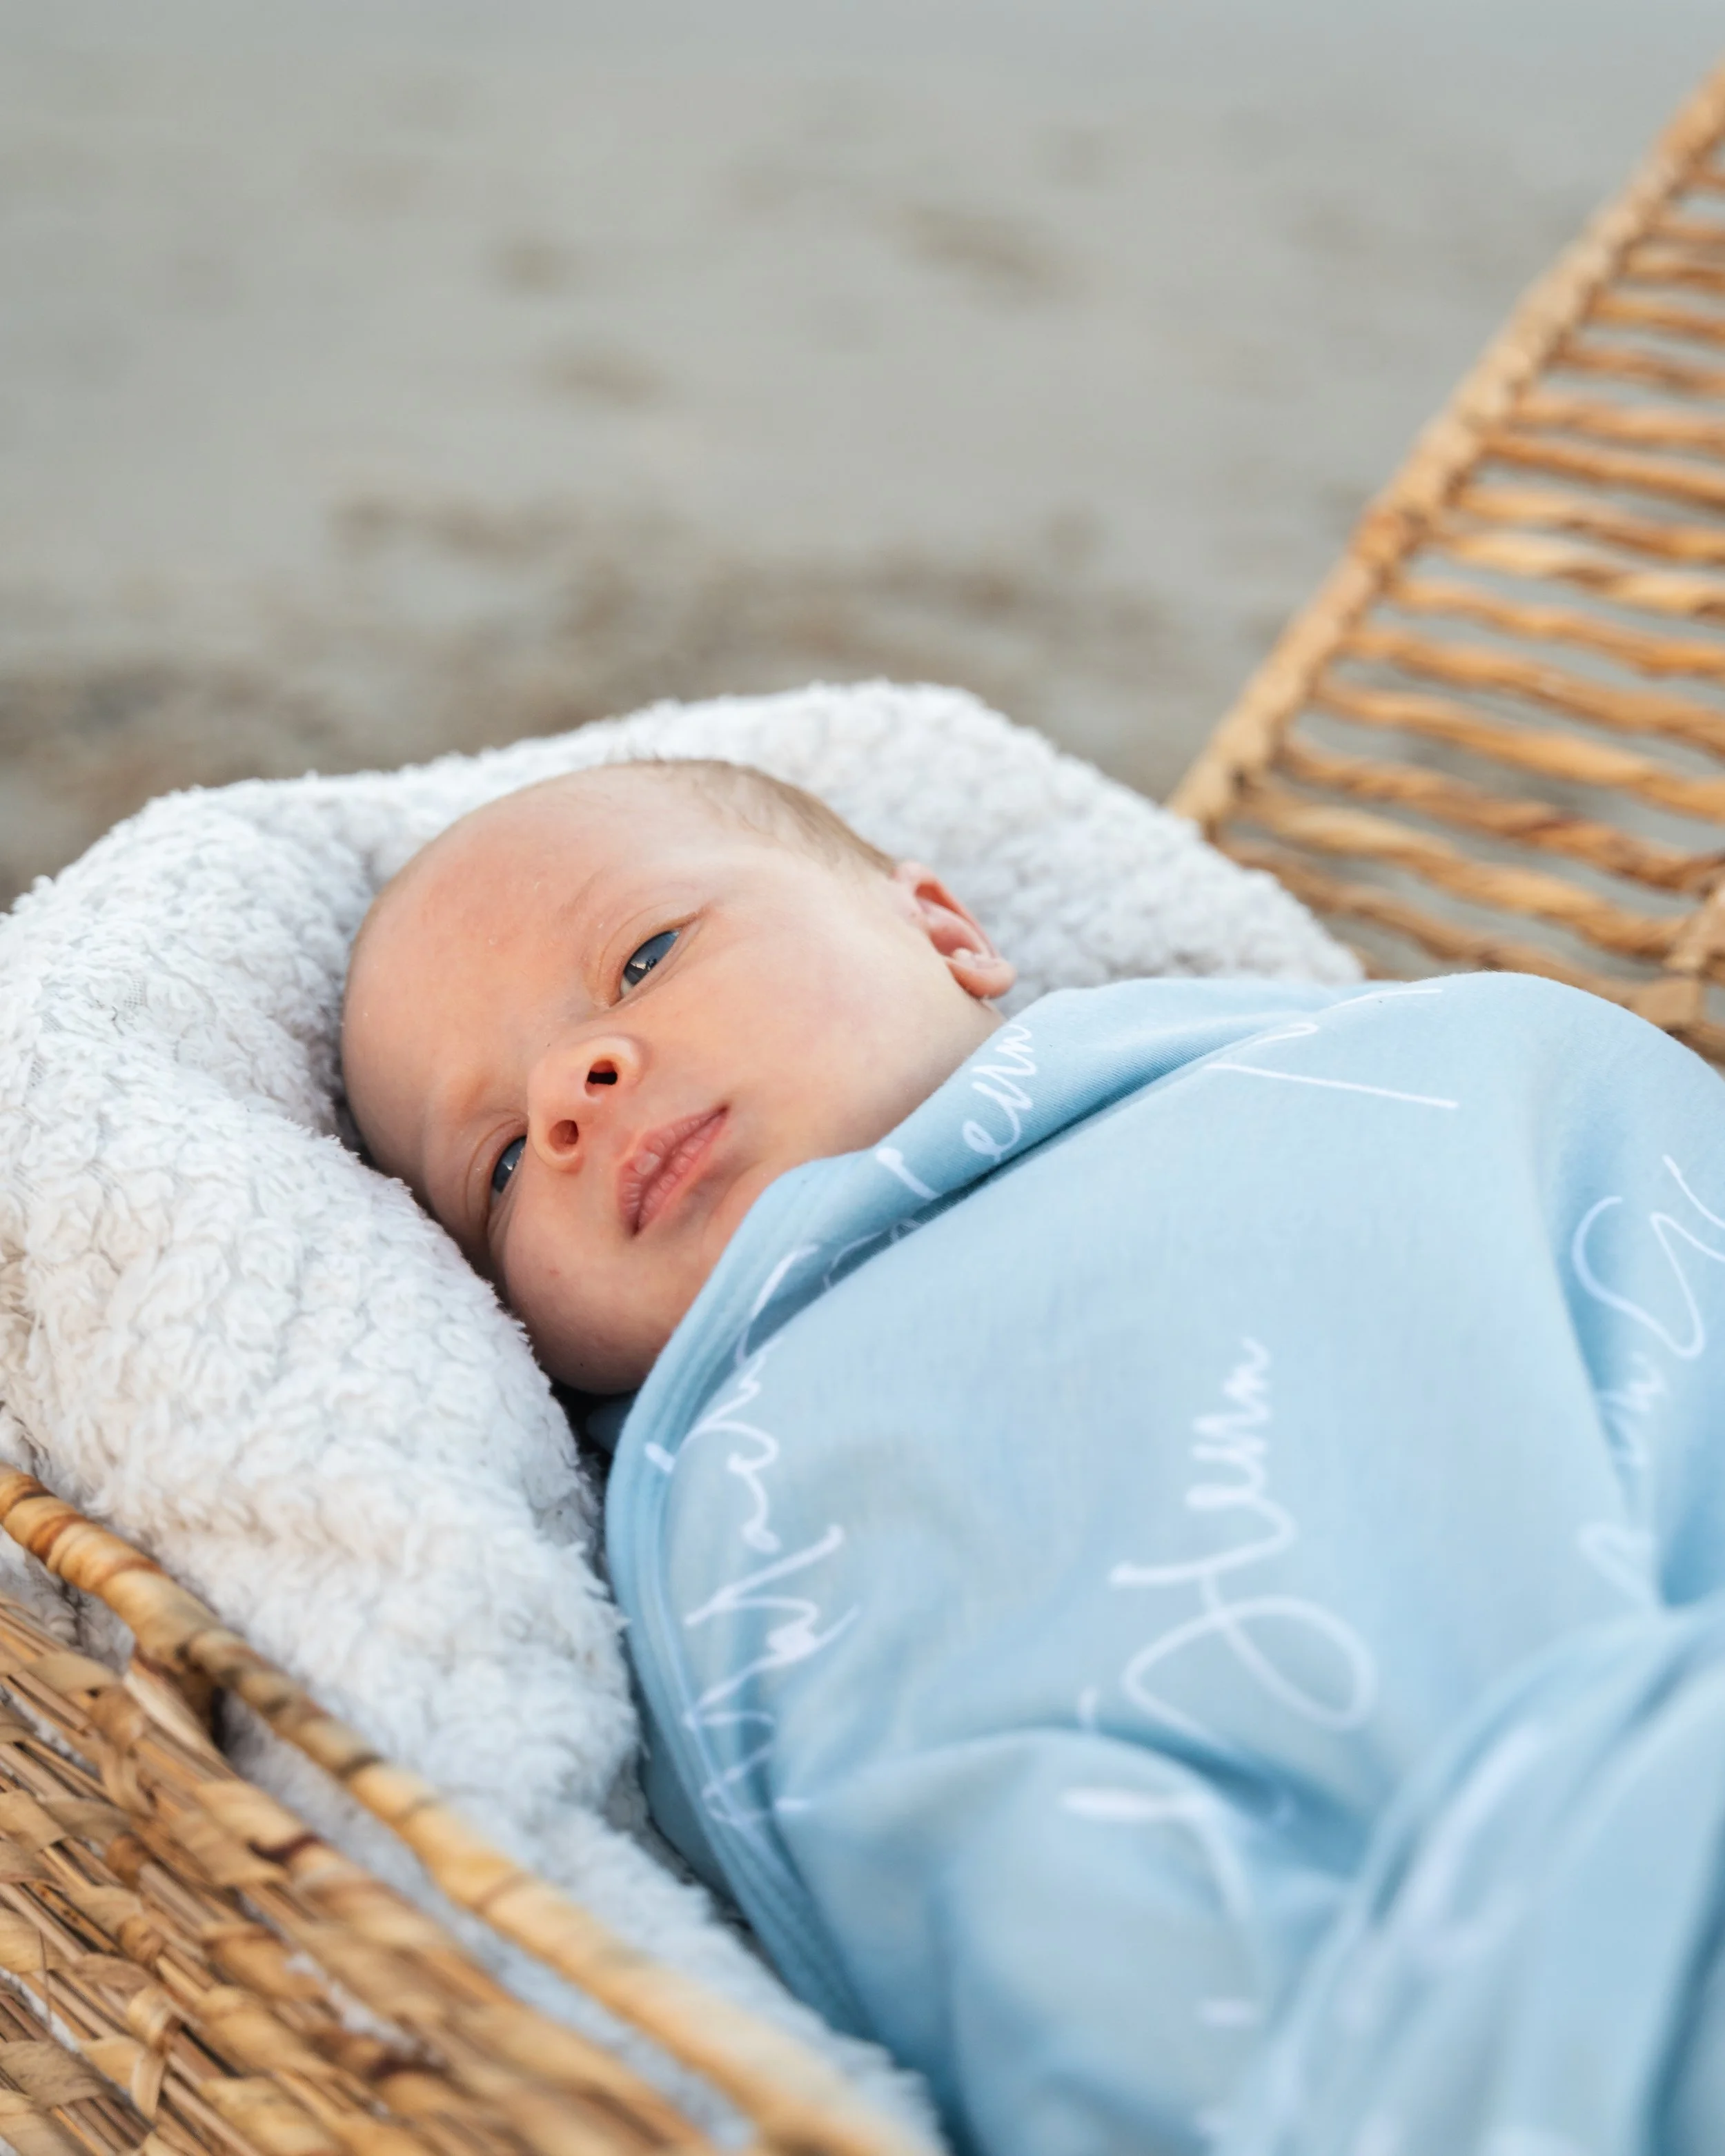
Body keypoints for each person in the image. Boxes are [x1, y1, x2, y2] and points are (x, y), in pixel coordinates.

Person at [344, 758, 1725, 2156]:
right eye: (504, 1163)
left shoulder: (1412, 1063)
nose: (573, 1089)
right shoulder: (731, 1485)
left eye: (644, 957)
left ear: (939, 928)